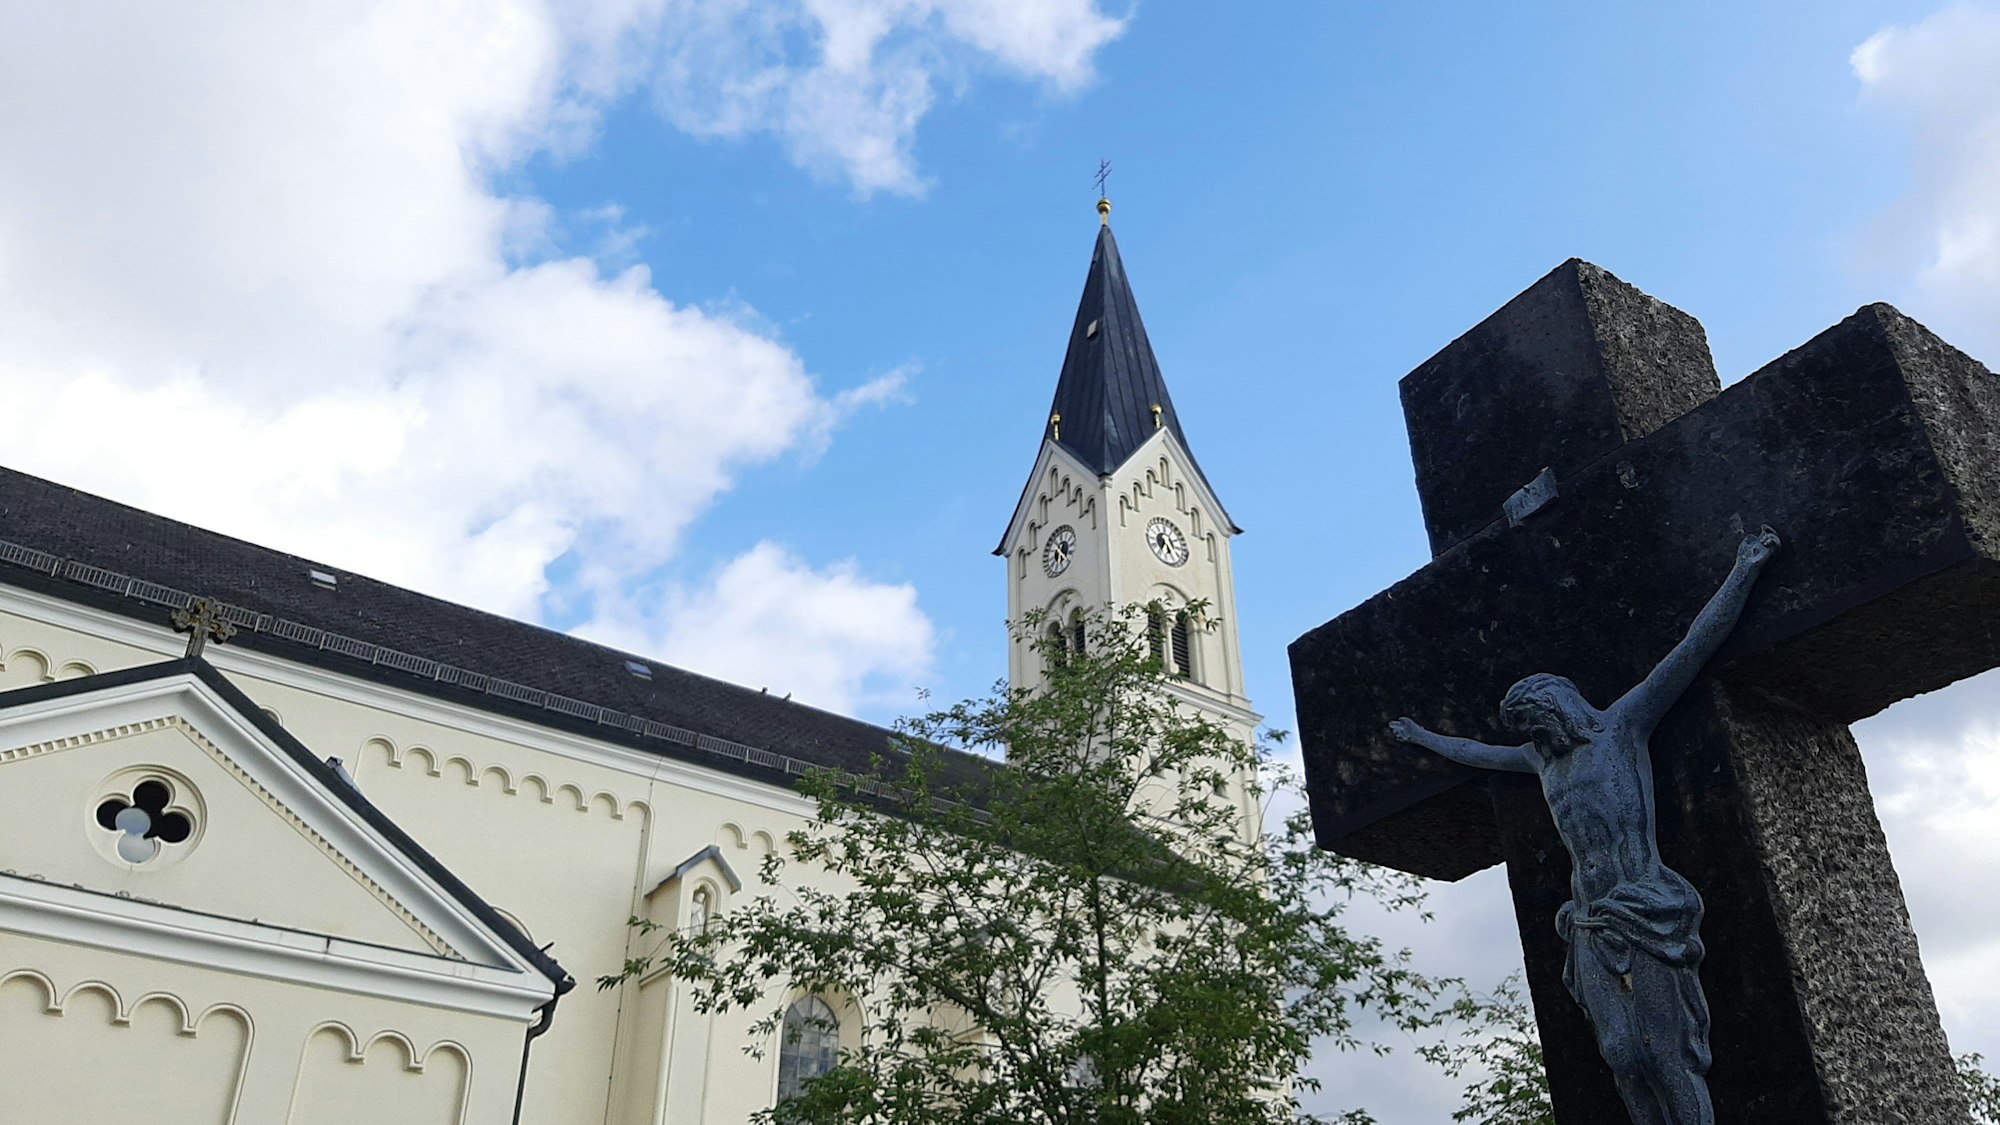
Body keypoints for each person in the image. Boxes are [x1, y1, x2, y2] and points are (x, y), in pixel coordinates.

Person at [1390, 527, 1781, 1125]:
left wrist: (1744, 569)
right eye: (1524, 728)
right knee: (1622, 1055)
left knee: (1665, 1055)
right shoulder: (1538, 760)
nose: (1533, 735)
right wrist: (1421, 736)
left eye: (1535, 721)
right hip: (1588, 918)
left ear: (1560, 706)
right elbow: (1474, 751)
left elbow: (1693, 646)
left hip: (1643, 905)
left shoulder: (1623, 727)